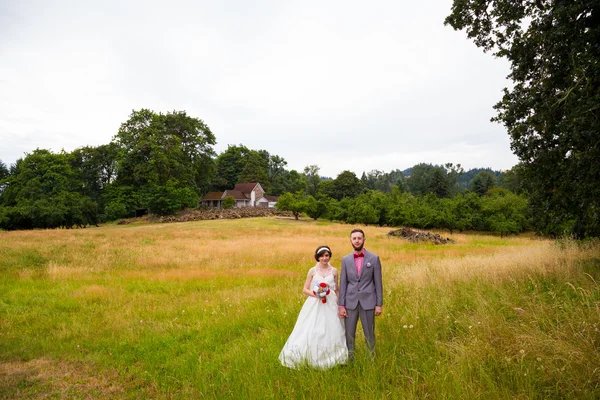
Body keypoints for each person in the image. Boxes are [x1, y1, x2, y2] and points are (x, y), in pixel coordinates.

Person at [279, 245, 348, 369]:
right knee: (312, 327)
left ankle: (335, 356)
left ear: (330, 256)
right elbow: (305, 289)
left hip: (330, 302)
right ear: (317, 257)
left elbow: (336, 289)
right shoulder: (312, 271)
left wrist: (340, 305)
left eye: (326, 255)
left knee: (332, 327)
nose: (324, 258)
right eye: (321, 256)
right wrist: (316, 294)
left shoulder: (334, 271)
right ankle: (309, 355)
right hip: (315, 302)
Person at [338, 229, 383, 359]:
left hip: (368, 302)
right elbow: (344, 283)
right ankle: (350, 358)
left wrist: (379, 304)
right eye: (354, 238)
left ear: (364, 240)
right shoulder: (345, 260)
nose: (357, 241)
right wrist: (341, 305)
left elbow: (378, 283)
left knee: (369, 333)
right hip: (350, 302)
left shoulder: (374, 258)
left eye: (359, 238)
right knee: (349, 334)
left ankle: (370, 358)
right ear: (350, 240)